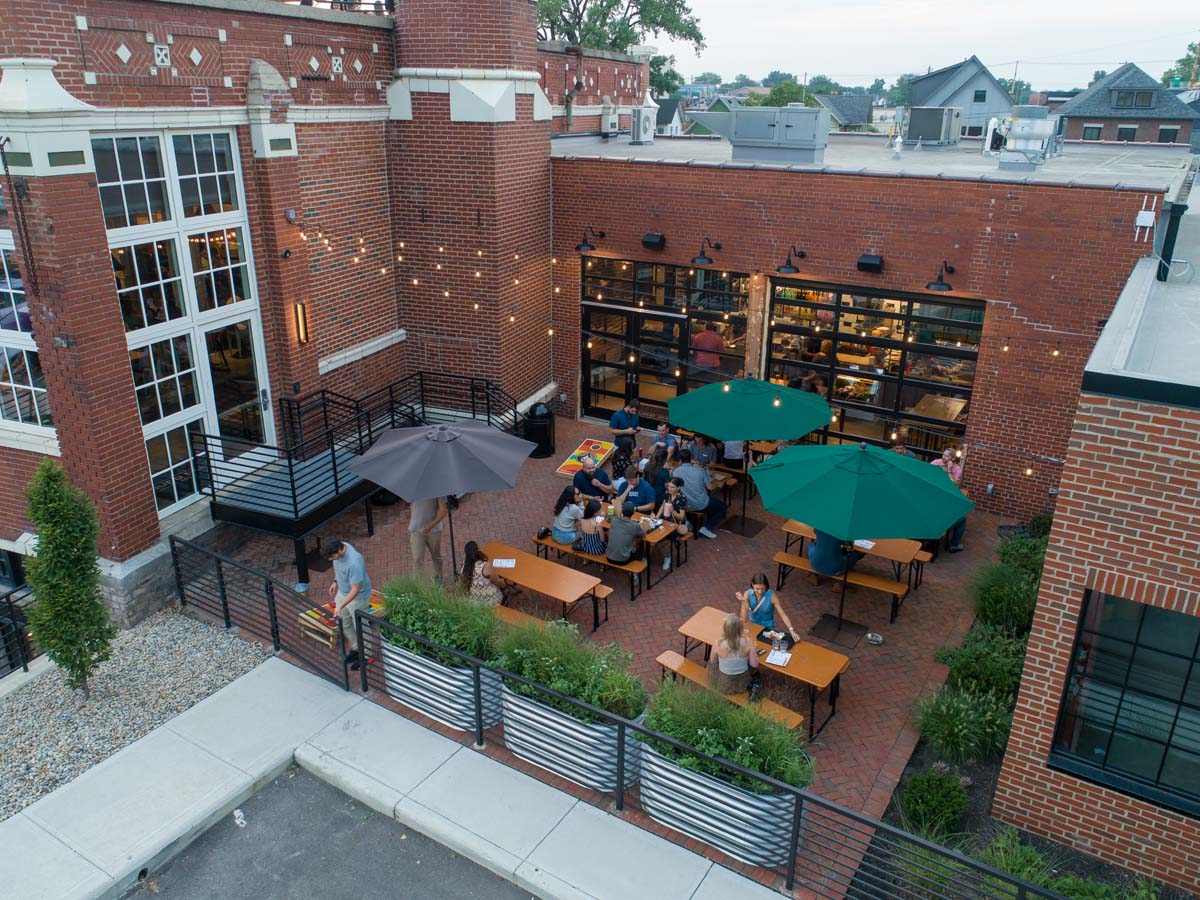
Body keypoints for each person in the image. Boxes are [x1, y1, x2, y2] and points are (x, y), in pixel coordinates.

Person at [324, 539, 371, 669]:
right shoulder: (340, 546)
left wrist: (340, 605)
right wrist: (335, 581)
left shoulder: (354, 561)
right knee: (344, 623)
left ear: (340, 550)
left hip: (358, 598)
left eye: (333, 557)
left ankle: (367, 655)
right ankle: (356, 649)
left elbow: (356, 589)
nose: (331, 560)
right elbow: (338, 567)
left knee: (361, 627)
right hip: (343, 593)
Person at [673, 448, 726, 539]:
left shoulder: (675, 472)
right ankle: (707, 527)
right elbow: (710, 487)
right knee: (722, 507)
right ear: (691, 459)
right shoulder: (700, 471)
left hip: (684, 504)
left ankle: (688, 520)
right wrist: (718, 483)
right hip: (701, 504)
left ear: (680, 460)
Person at [708, 613, 759, 695]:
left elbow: (713, 662)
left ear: (725, 629)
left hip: (724, 684)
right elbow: (754, 664)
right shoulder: (747, 642)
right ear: (740, 629)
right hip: (743, 683)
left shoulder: (718, 643)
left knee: (710, 664)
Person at [931, 449, 967, 552]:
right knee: (962, 519)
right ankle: (954, 544)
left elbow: (954, 487)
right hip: (936, 497)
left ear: (953, 459)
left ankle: (953, 544)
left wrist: (950, 470)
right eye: (943, 454)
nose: (943, 457)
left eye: (947, 456)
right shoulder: (936, 463)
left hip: (945, 498)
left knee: (961, 517)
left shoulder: (957, 469)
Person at [409, 495, 447, 580]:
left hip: (434, 530)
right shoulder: (414, 489)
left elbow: (443, 510)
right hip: (416, 530)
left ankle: (438, 577)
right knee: (417, 559)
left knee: (436, 555)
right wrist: (416, 519)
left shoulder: (438, 489)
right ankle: (418, 584)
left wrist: (430, 526)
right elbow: (411, 505)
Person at [656, 476, 689, 571]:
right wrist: (657, 516)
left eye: (672, 487)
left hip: (676, 525)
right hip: (665, 521)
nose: (670, 489)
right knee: (654, 533)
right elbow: (662, 506)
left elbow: (682, 517)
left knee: (665, 538)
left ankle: (667, 557)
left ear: (678, 488)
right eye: (669, 486)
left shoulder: (682, 499)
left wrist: (673, 511)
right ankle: (647, 556)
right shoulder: (667, 494)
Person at [459, 540, 504, 607]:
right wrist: (504, 583)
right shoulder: (485, 566)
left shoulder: (464, 566)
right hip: (490, 601)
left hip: (472, 601)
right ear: (477, 551)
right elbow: (497, 582)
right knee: (502, 586)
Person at [606, 500, 649, 565]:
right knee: (637, 538)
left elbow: (608, 518)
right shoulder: (634, 525)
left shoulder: (614, 520)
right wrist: (646, 526)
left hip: (609, 557)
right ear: (633, 513)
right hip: (623, 560)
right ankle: (639, 565)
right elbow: (644, 535)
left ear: (622, 511)